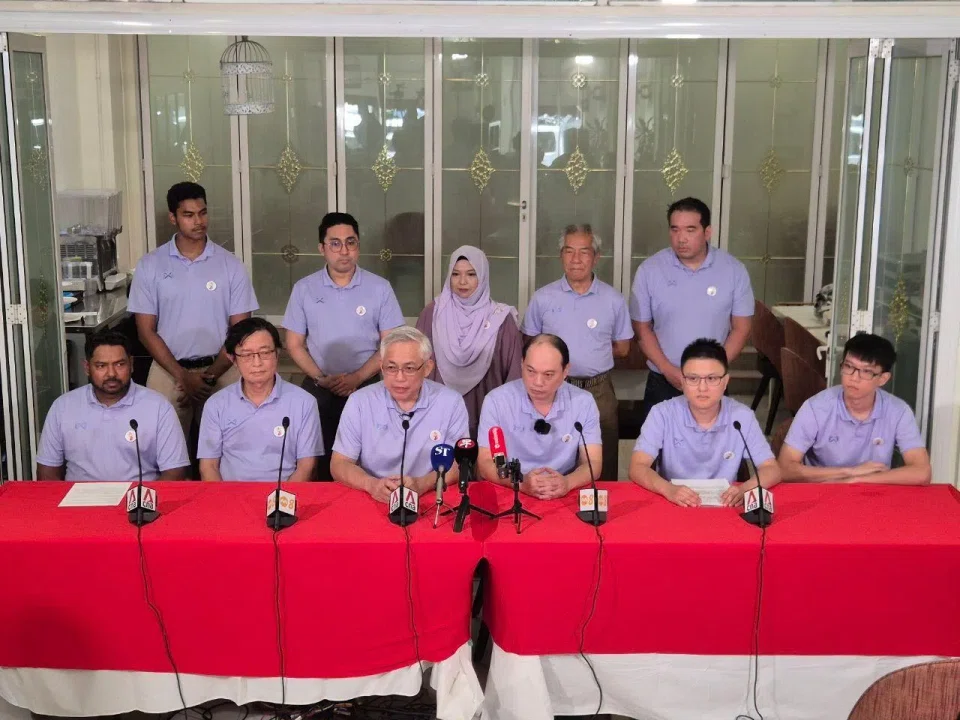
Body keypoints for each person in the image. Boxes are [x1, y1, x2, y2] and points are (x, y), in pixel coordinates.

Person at [128, 182, 258, 459]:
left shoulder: (230, 265)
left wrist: (208, 377)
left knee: (234, 450)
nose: (199, 222)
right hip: (168, 370)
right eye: (189, 215)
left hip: (224, 367)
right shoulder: (151, 265)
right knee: (160, 452)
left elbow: (241, 332)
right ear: (173, 218)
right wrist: (183, 376)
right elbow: (145, 331)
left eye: (203, 213)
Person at [283, 212, 405, 480]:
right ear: (322, 248)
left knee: (367, 456)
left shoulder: (379, 288)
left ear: (358, 246)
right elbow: (294, 344)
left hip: (368, 386)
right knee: (319, 458)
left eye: (351, 242)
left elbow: (391, 342)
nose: (344, 251)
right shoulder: (304, 289)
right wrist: (321, 378)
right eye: (335, 243)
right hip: (319, 387)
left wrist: (357, 377)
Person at [630, 197, 754, 427]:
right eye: (675, 229)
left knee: (712, 451)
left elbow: (741, 328)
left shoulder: (734, 270)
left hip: (713, 382)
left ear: (707, 232)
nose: (681, 238)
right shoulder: (650, 270)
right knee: (655, 455)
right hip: (664, 379)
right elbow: (642, 328)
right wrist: (668, 370)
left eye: (690, 230)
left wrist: (710, 373)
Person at [521, 225, 632, 479]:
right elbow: (530, 345)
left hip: (599, 389)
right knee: (555, 454)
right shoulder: (543, 298)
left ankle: (601, 510)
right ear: (561, 255)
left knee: (603, 461)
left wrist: (592, 352)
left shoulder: (613, 300)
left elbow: (623, 348)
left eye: (584, 252)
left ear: (596, 257)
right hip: (554, 389)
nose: (576, 259)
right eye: (569, 251)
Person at [628, 338, 780, 507]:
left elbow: (771, 469)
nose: (702, 388)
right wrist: (668, 489)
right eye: (693, 379)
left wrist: (745, 488)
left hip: (725, 506)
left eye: (712, 378)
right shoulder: (662, 413)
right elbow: (637, 467)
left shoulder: (742, 416)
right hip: (675, 503)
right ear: (683, 381)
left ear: (725, 382)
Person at [330, 326, 470, 504]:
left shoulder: (451, 402)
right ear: (381, 367)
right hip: (372, 498)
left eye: (409, 368)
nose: (399, 377)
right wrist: (371, 484)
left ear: (427, 368)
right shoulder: (360, 402)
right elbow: (339, 464)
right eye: (391, 368)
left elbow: (459, 465)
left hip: (428, 498)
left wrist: (422, 484)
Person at [778, 333, 931, 485]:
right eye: (849, 367)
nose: (854, 377)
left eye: (866, 371)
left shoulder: (898, 411)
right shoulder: (816, 407)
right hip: (824, 492)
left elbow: (922, 472)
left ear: (883, 379)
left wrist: (857, 480)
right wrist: (849, 472)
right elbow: (785, 468)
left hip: (874, 493)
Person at [36, 330, 188, 481]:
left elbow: (175, 472)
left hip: (138, 501)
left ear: (132, 364)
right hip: (79, 501)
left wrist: (144, 502)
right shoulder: (63, 407)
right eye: (101, 366)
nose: (111, 374)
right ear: (87, 367)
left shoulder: (158, 407)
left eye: (120, 364)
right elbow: (47, 472)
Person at [477, 334, 602, 500]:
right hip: (510, 488)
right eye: (530, 371)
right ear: (521, 363)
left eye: (548, 375)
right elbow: (485, 462)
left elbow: (593, 462)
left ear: (566, 371)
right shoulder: (497, 401)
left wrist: (567, 482)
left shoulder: (583, 402)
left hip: (563, 490)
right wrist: (519, 483)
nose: (537, 382)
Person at [198, 318, 323, 482]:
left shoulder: (304, 403)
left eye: (265, 353)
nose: (257, 363)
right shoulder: (216, 405)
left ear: (277, 354)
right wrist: (225, 502)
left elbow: (307, 467)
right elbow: (209, 467)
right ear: (233, 359)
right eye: (247, 355)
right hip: (231, 497)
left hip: (283, 499)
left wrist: (282, 503)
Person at [415, 246, 522, 437]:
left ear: (483, 276)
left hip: (488, 416)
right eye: (456, 274)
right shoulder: (432, 313)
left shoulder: (501, 319)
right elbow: (415, 364)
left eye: (471, 274)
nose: (462, 281)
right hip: (436, 416)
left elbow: (514, 376)